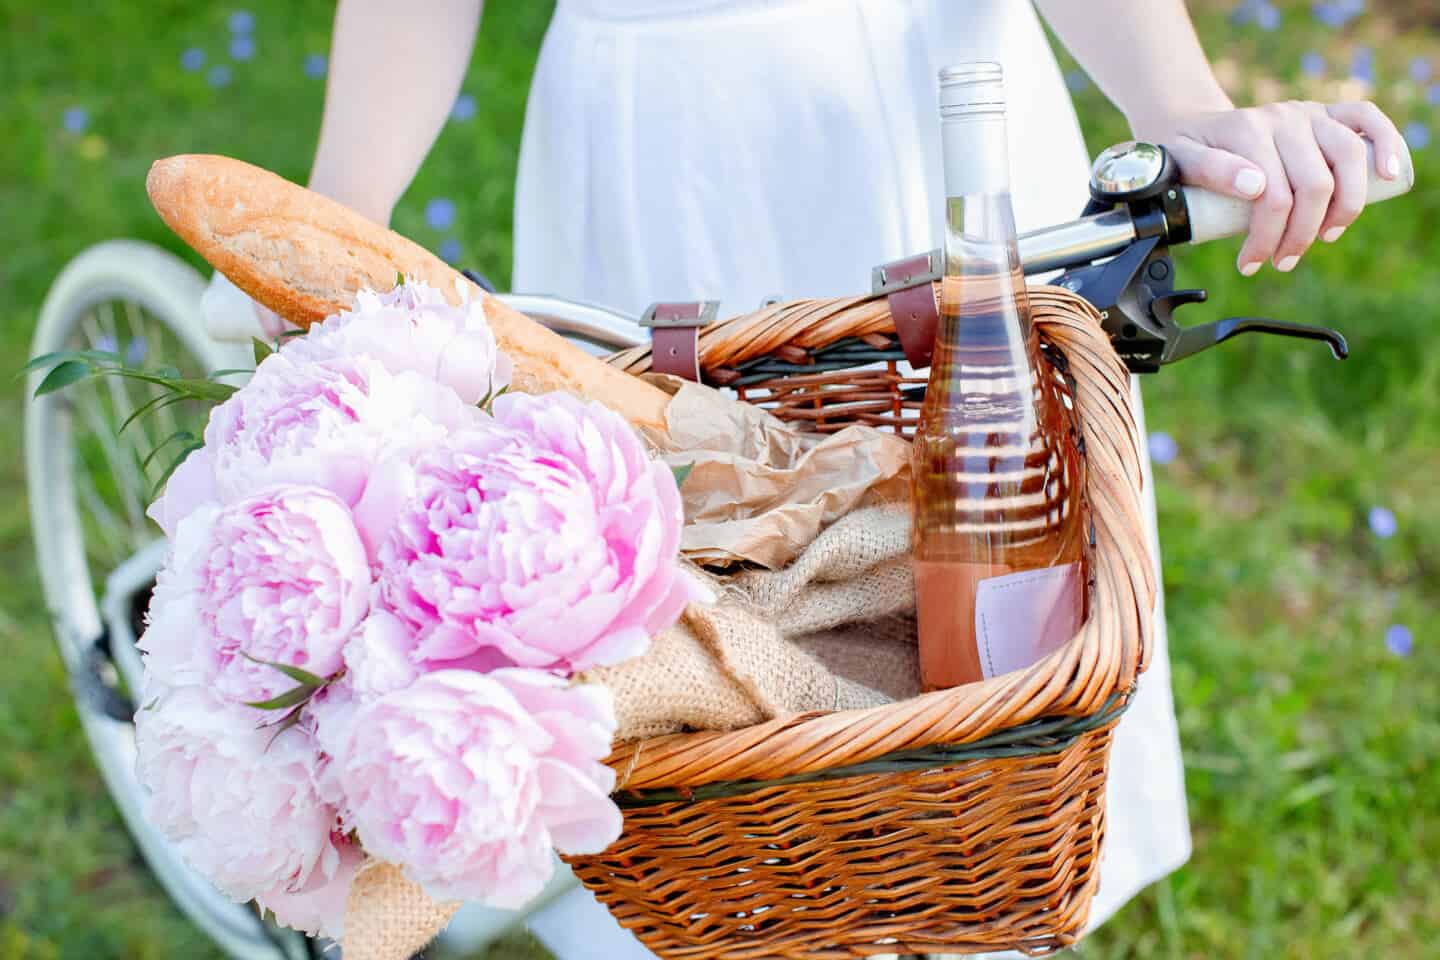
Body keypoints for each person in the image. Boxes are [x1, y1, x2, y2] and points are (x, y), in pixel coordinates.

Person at [208, 1, 1406, 956]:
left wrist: (1185, 107)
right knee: (689, 626)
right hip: (653, 141)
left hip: (942, 105)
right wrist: (342, 207)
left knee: (993, 625)